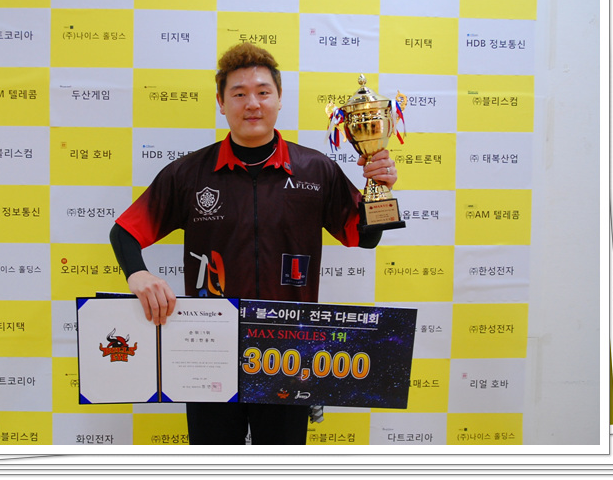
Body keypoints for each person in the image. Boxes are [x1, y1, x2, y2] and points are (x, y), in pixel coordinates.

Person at [109, 41, 398, 444]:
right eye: (239, 94)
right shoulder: (189, 173)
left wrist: (379, 189)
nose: (252, 104)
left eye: (263, 92)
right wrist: (138, 274)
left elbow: (365, 238)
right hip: (209, 350)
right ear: (221, 103)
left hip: (288, 353)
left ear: (279, 99)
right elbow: (124, 231)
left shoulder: (316, 170)